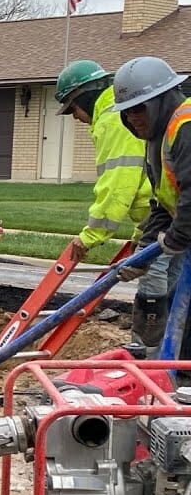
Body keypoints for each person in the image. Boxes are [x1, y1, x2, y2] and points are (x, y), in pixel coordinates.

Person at [54, 60, 161, 353]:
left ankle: (154, 362)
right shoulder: (121, 115)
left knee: (157, 286)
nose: (75, 117)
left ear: (84, 96)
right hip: (162, 217)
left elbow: (118, 185)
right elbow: (145, 180)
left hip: (171, 221)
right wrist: (143, 236)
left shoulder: (113, 120)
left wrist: (89, 237)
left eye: (72, 108)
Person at [113, 57, 191, 304]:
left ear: (162, 100)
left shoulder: (186, 126)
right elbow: (164, 203)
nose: (132, 117)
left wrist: (175, 238)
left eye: (139, 108)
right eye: (127, 111)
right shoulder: (159, 139)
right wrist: (143, 256)